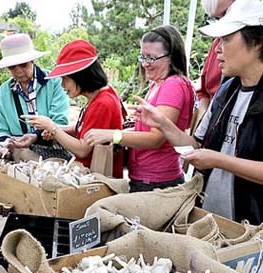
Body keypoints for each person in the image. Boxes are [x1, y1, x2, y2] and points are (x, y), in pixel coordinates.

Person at [131, 0, 263, 268]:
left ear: (258, 42)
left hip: (257, 237)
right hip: (213, 227)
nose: (217, 50)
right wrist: (164, 125)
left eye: (227, 39)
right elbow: (198, 145)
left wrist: (218, 160)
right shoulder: (227, 91)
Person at [84, 25, 195, 191]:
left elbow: (156, 139)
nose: (145, 64)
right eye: (142, 57)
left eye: (151, 58)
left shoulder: (172, 85)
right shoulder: (158, 84)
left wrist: (113, 135)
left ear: (170, 57)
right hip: (146, 177)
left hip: (157, 181)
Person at [19, 40, 124, 178]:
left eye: (65, 78)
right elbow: (87, 128)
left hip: (97, 179)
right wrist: (52, 129)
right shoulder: (103, 94)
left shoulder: (102, 103)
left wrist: (53, 128)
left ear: (81, 76)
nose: (62, 85)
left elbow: (82, 150)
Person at [0, 33, 71, 160]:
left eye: (23, 64)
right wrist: (6, 143)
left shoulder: (54, 82)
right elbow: (1, 129)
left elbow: (60, 122)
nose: (18, 70)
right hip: (19, 154)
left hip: (54, 151)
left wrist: (38, 135)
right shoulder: (3, 92)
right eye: (12, 67)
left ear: (33, 61)